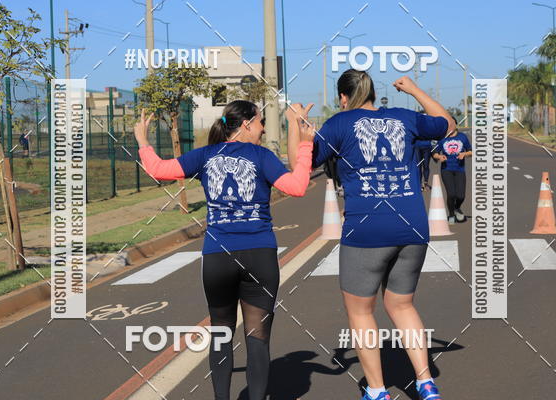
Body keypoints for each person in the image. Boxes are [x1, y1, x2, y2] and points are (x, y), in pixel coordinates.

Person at [287, 69, 455, 400]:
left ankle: (377, 390)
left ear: (343, 97)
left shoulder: (338, 124)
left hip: (367, 230)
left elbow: (299, 167)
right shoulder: (404, 118)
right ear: (373, 94)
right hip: (412, 226)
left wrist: (295, 124)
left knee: (361, 312)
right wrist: (414, 89)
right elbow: (447, 125)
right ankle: (426, 383)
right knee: (402, 305)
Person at [134, 100, 315, 400]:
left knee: (220, 334)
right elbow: (297, 187)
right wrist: (306, 144)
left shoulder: (205, 156)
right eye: (260, 122)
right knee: (257, 339)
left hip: (218, 258)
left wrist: (142, 140)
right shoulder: (262, 156)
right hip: (260, 256)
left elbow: (157, 170)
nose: (262, 129)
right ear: (246, 124)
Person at [431, 126, 472, 224]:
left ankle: (457, 207)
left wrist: (464, 154)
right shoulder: (442, 138)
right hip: (446, 170)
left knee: (461, 196)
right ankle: (451, 214)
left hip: (460, 170)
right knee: (451, 194)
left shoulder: (462, 137)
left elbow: (471, 151)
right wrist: (439, 156)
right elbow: (434, 153)